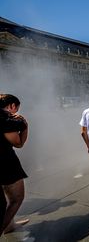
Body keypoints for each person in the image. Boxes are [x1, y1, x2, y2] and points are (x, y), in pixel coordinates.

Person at [0, 94, 29, 234]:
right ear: (11, 106)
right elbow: (18, 143)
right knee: (16, 198)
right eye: (16, 108)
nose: (16, 112)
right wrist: (25, 126)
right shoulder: (6, 119)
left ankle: (9, 225)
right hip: (5, 164)